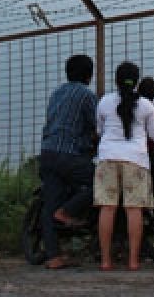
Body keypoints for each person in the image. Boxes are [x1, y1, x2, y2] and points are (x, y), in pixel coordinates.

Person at [94, 61, 154, 271]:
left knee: (107, 208)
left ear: (116, 80)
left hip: (107, 158)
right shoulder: (146, 106)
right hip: (136, 160)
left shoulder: (104, 102)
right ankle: (133, 261)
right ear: (136, 82)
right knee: (134, 210)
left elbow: (99, 131)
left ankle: (106, 262)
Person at [38, 54, 98, 270]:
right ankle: (69, 211)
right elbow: (97, 126)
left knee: (50, 203)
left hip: (47, 152)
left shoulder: (56, 93)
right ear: (89, 75)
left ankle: (53, 256)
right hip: (69, 154)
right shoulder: (86, 95)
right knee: (100, 182)